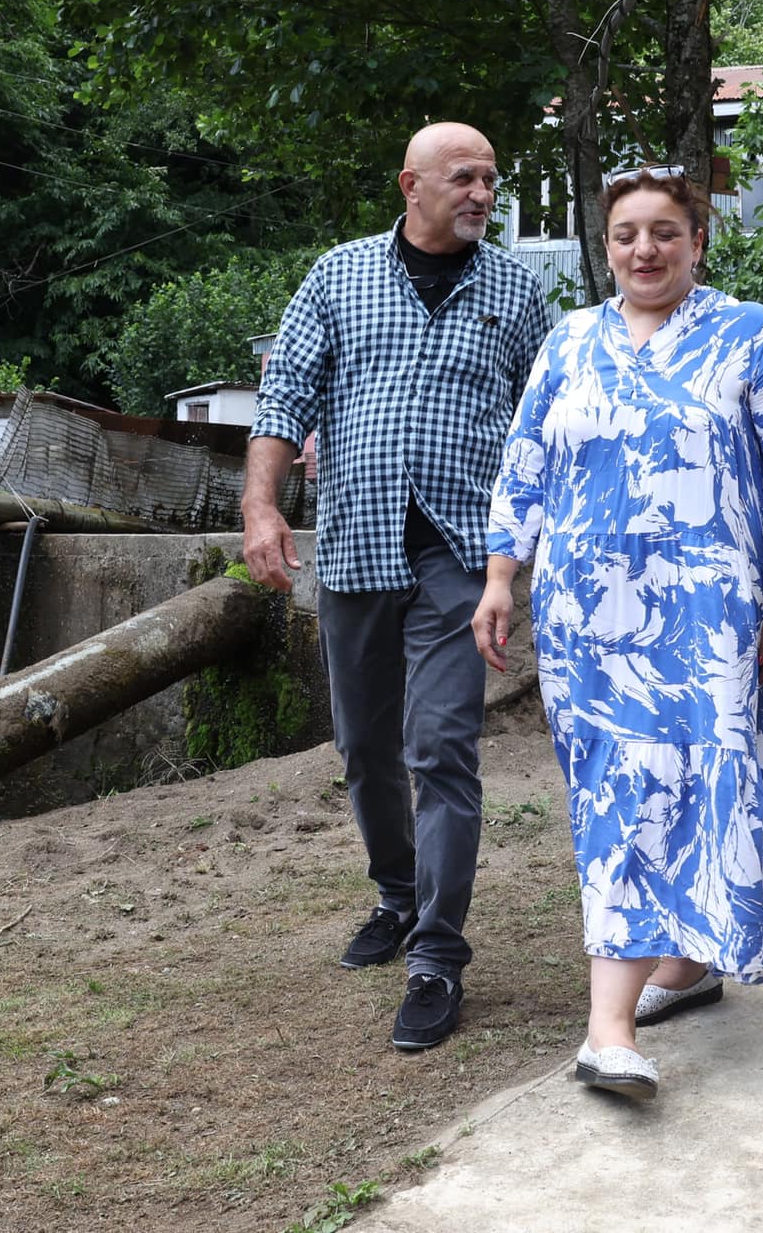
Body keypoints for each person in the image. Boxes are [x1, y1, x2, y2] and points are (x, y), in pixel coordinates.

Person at [474, 168, 763, 1101]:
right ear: (606, 247)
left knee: (704, 788)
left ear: (698, 242)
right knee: (617, 795)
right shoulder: (569, 341)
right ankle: (612, 1027)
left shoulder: (753, 336)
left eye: (666, 232)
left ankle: (677, 972)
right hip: (585, 627)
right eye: (627, 234)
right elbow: (525, 467)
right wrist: (500, 580)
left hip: (709, 625)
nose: (646, 249)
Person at [243, 123, 550, 1053]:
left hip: (463, 556)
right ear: (411, 185)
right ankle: (397, 893)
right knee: (365, 746)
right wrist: (262, 507)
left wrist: (530, 551)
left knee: (442, 747)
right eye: (464, 177)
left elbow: (542, 423)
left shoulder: (516, 292)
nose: (482, 193)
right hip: (357, 545)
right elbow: (285, 397)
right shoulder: (338, 275)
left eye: (491, 179)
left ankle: (437, 956)